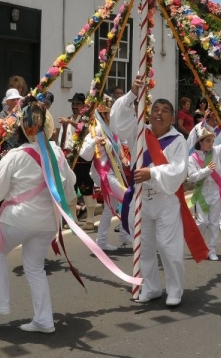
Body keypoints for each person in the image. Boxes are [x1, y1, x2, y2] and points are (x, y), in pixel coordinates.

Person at [0, 99, 76, 334]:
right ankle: (44, 320)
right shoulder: (57, 153)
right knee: (35, 268)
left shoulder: (17, 155)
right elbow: (69, 187)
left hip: (17, 219)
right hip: (47, 222)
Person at [110, 76, 190, 307]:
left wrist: (152, 173)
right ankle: (152, 287)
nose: (159, 113)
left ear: (172, 117)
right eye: (156, 109)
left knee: (168, 247)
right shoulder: (139, 132)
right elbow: (118, 122)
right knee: (143, 247)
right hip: (141, 199)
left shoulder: (177, 140)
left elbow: (178, 170)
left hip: (165, 200)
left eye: (165, 111)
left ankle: (175, 290)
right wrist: (133, 93)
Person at [79, 95, 130, 251]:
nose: (112, 116)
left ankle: (101, 241)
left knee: (110, 207)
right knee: (128, 198)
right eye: (109, 113)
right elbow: (84, 154)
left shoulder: (112, 129)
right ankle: (124, 232)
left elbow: (120, 145)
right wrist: (94, 141)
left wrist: (124, 159)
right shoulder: (95, 131)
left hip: (113, 172)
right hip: (103, 173)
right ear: (102, 114)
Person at [187, 126, 221, 261]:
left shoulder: (215, 152)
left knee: (214, 222)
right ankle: (198, 246)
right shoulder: (192, 158)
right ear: (200, 142)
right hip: (202, 193)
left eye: (212, 141)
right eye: (208, 141)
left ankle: (211, 250)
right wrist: (206, 170)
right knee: (203, 222)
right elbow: (192, 177)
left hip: (215, 192)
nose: (211, 144)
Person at [59, 92, 97, 229]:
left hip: (82, 160)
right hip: (68, 159)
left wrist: (70, 122)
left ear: (83, 105)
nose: (74, 106)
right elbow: (62, 139)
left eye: (77, 104)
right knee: (70, 188)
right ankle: (73, 219)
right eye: (73, 104)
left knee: (86, 187)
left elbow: (85, 131)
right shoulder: (67, 119)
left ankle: (90, 219)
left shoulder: (88, 120)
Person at [0, 88, 24, 156]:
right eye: (13, 100)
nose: (16, 101)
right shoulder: (4, 112)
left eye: (17, 99)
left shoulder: (22, 111)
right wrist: (11, 114)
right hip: (7, 145)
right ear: (8, 101)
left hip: (20, 144)